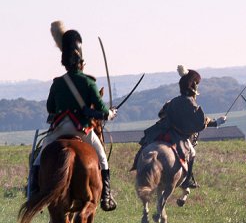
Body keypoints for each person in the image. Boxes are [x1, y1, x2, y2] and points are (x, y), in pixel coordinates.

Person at [30, 21, 118, 211]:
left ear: (64, 62)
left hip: (59, 128)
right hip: (82, 129)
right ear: (81, 62)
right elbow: (101, 110)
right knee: (102, 158)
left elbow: (50, 107)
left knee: (37, 160)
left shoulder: (57, 83)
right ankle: (106, 197)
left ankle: (33, 192)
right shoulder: (88, 82)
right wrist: (110, 114)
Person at [132, 65, 227, 190]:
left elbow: (162, 114)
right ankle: (188, 180)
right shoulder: (191, 102)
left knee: (147, 144)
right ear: (193, 86)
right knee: (192, 153)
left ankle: (137, 165)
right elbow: (199, 122)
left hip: (162, 130)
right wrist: (216, 122)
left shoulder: (173, 101)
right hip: (177, 136)